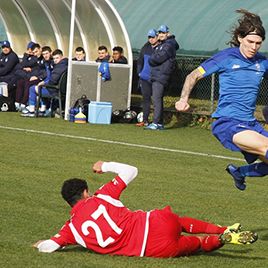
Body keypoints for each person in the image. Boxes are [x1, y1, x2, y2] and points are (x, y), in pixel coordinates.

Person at [33, 160, 257, 257]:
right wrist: (105, 166)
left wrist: (42, 243)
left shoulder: (70, 229)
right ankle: (224, 228)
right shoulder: (101, 195)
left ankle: (223, 239)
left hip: (152, 250)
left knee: (196, 244)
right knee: (178, 221)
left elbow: (49, 247)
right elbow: (131, 170)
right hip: (154, 223)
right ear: (85, 193)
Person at [175, 9, 268, 191]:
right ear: (240, 38)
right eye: (250, 41)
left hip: (251, 124)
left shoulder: (262, 62)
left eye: (258, 43)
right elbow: (193, 75)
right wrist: (182, 99)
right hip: (228, 123)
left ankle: (240, 172)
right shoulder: (225, 57)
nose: (254, 47)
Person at [145, 25, 179, 130]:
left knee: (156, 99)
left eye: (163, 33)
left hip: (161, 75)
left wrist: (151, 59)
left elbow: (158, 58)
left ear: (167, 33)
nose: (160, 35)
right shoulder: (165, 44)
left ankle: (156, 123)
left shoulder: (168, 45)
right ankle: (159, 123)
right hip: (159, 75)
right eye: (159, 33)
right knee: (157, 99)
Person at [21, 49, 68, 117]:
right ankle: (42, 109)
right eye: (54, 58)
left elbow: (53, 80)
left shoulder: (59, 67)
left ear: (62, 57)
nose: (55, 60)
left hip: (54, 91)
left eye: (57, 58)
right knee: (40, 87)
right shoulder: (63, 65)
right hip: (57, 90)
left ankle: (31, 111)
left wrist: (45, 83)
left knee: (32, 88)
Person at [136, 29, 159, 127]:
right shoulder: (145, 48)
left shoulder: (162, 48)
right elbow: (140, 61)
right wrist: (139, 73)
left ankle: (156, 121)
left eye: (153, 37)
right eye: (149, 37)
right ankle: (145, 120)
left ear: (157, 37)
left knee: (156, 99)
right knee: (146, 99)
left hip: (155, 78)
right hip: (144, 78)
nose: (151, 39)